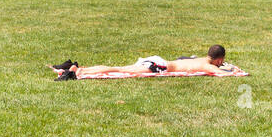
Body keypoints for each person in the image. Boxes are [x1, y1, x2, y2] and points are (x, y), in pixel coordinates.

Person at [51, 45, 234, 80]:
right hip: (158, 66)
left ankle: (79, 69)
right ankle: (79, 71)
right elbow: (221, 72)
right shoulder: (206, 65)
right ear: (219, 59)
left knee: (119, 68)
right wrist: (230, 70)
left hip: (157, 60)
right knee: (120, 70)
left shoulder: (199, 59)